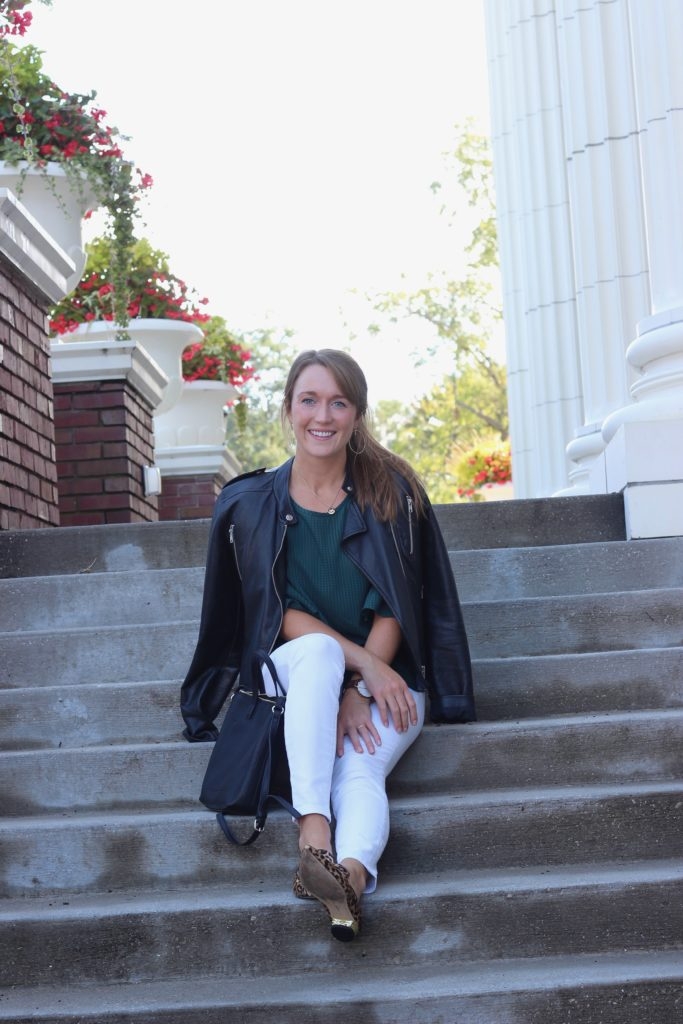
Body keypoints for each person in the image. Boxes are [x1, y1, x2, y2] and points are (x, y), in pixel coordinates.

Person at [180, 348, 475, 942]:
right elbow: (273, 615)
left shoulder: (390, 494)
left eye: (338, 402)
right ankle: (314, 832)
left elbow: (398, 605)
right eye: (309, 400)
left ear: (357, 413)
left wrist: (367, 684)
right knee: (316, 656)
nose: (323, 415)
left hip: (390, 676)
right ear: (287, 408)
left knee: (361, 765)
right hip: (295, 671)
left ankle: (348, 878)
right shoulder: (251, 503)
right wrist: (353, 675)